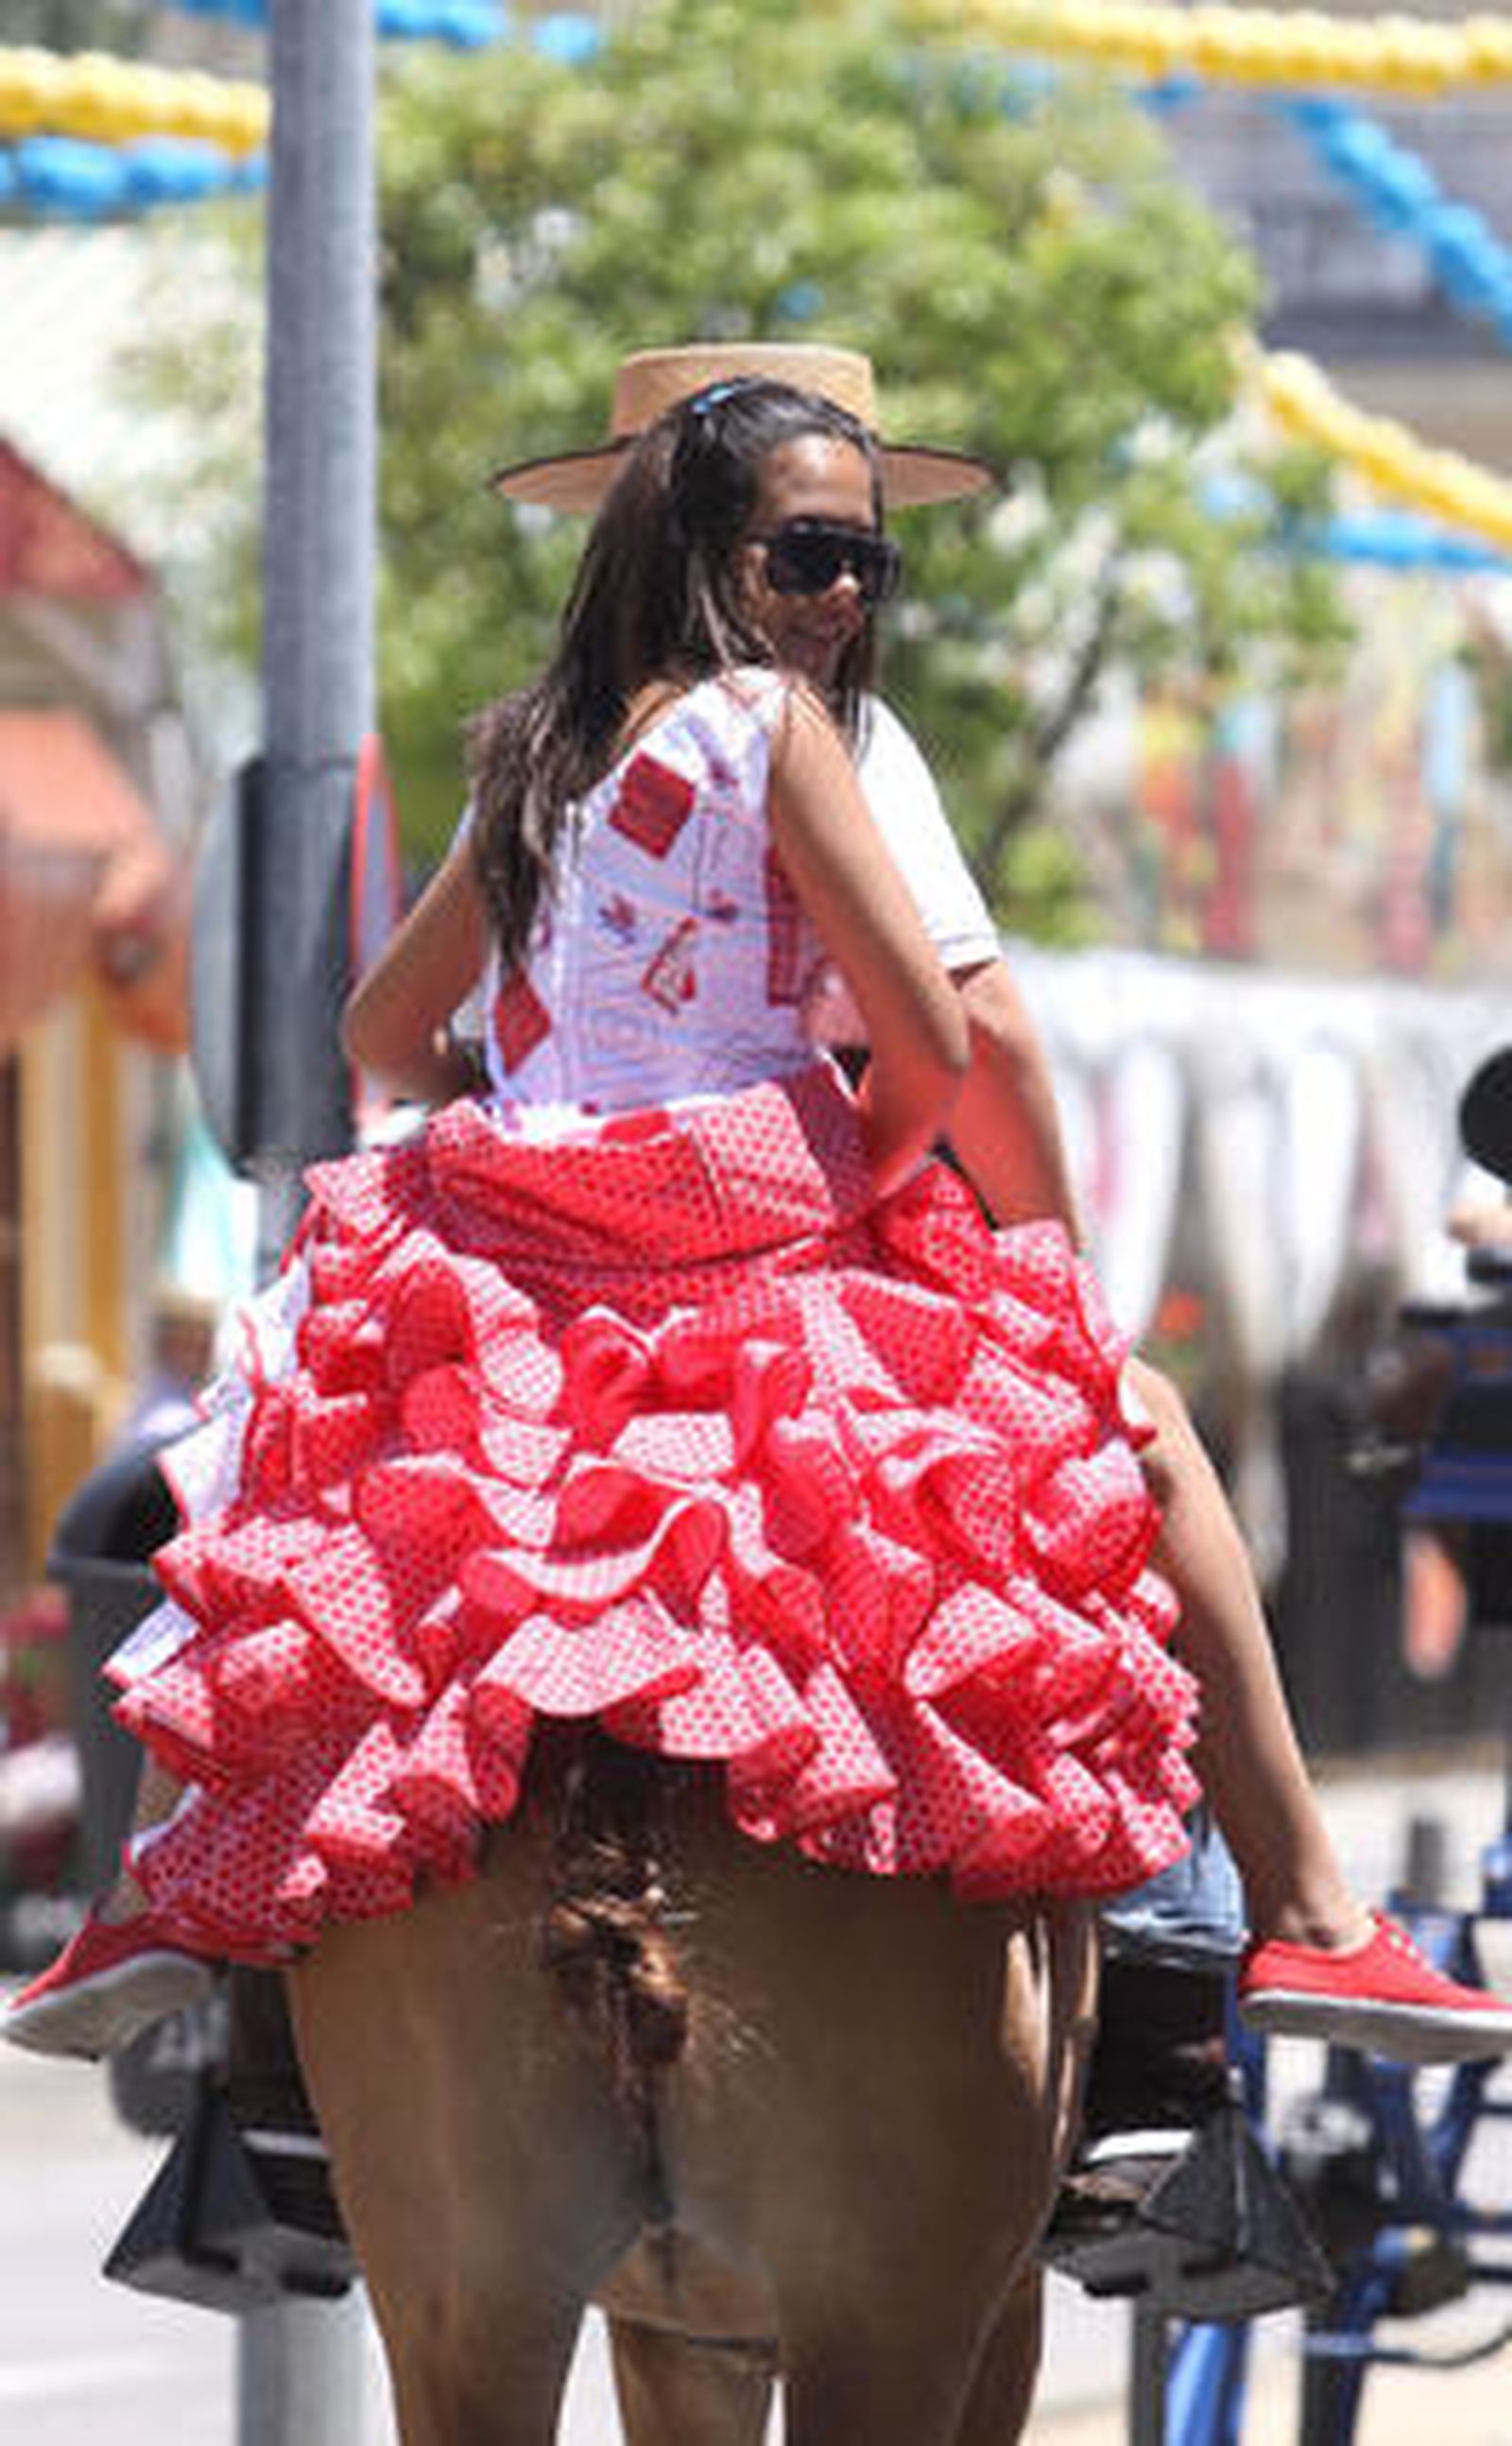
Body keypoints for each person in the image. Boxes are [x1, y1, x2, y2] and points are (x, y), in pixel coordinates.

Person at [7, 350, 1512, 2074]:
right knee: (1119, 1451)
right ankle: (1302, 1923)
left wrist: (512, 1113)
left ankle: (166, 1909)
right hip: (748, 1230)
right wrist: (850, 1182)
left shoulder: (535, 752)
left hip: (519, 1240)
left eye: (867, 561)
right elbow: (947, 1043)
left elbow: (373, 1034)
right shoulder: (798, 727)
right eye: (814, 556)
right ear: (706, 550)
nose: (848, 593)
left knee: (281, 1477)